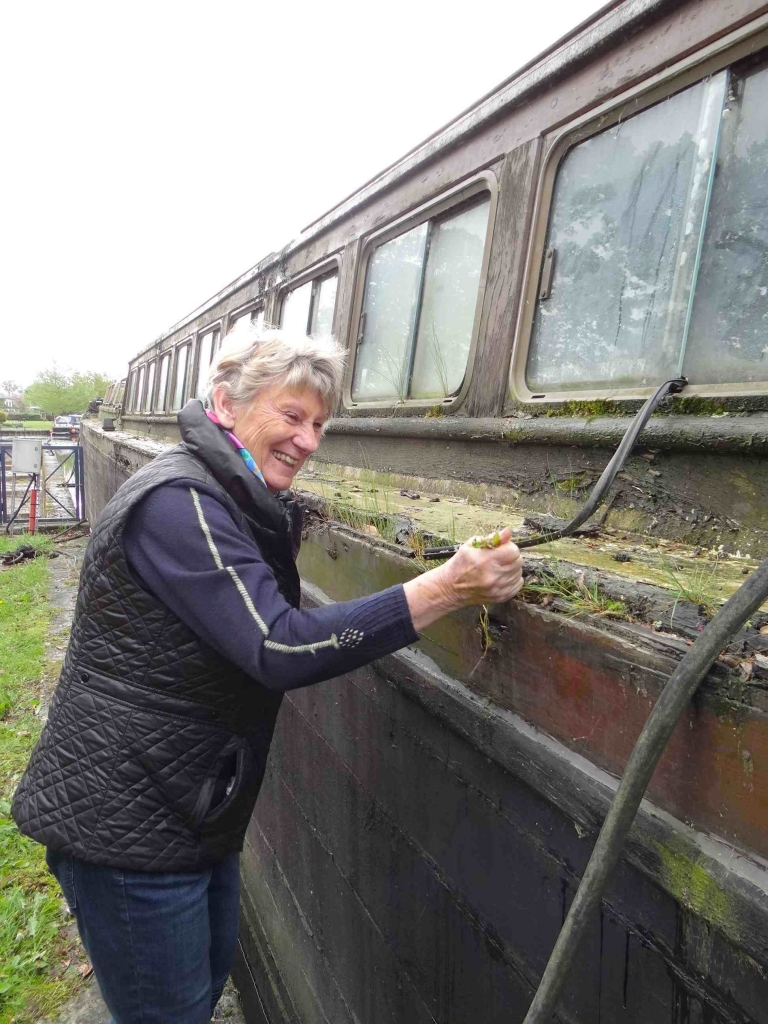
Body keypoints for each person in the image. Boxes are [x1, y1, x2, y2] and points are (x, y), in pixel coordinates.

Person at [12, 325, 523, 1023]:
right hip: (127, 823)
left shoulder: (226, 495)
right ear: (224, 405)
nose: (309, 440)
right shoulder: (179, 503)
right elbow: (277, 647)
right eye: (291, 416)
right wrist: (446, 589)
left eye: (319, 424)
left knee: (197, 989)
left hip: (182, 804)